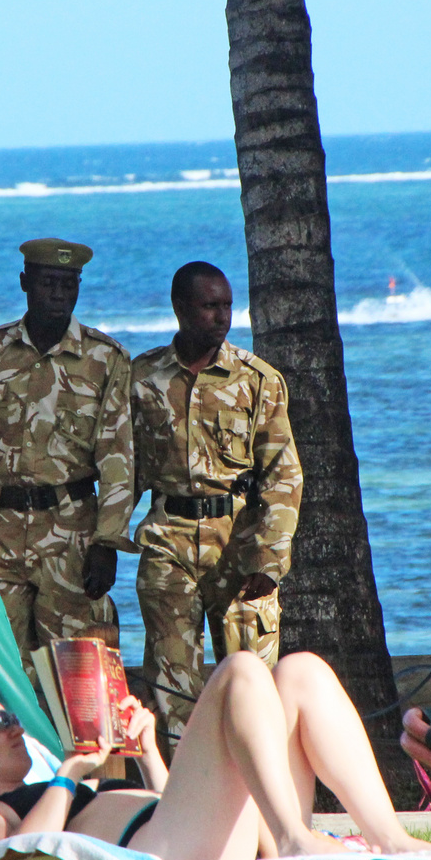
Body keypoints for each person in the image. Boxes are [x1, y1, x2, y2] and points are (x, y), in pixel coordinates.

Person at [0, 651, 427, 860]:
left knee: (300, 671)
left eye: (10, 716)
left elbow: (178, 804)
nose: (13, 727)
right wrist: (70, 774)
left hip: (185, 834)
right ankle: (291, 840)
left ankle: (389, 837)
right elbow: (22, 852)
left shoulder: (50, 790)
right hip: (158, 855)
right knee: (240, 669)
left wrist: (148, 754)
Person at [0, 238, 136, 672]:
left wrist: (108, 543)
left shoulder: (106, 358)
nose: (60, 293)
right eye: (49, 282)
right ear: (25, 283)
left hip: (72, 534)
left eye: (70, 284)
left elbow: (118, 457)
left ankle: (79, 744)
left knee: (79, 671)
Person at [129, 262, 303, 743]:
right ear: (181, 308)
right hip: (169, 541)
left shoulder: (257, 380)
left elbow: (283, 475)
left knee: (252, 689)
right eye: (210, 306)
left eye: (227, 305)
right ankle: (181, 802)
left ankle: (257, 805)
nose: (223, 317)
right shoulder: (142, 379)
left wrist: (270, 558)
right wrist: (105, 540)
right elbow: (122, 469)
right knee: (171, 686)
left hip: (240, 546)